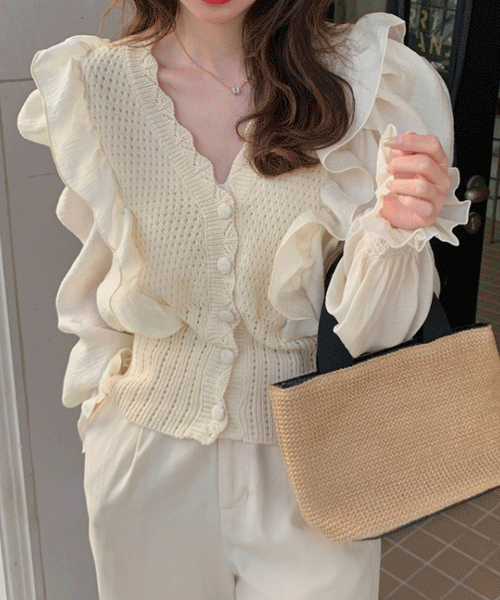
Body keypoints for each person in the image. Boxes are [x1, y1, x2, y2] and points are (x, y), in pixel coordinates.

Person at [17, 0, 470, 598]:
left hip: (315, 463)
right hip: (145, 459)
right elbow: (98, 288)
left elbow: (381, 330)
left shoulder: (365, 80)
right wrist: (102, 422)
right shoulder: (97, 82)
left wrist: (396, 231)